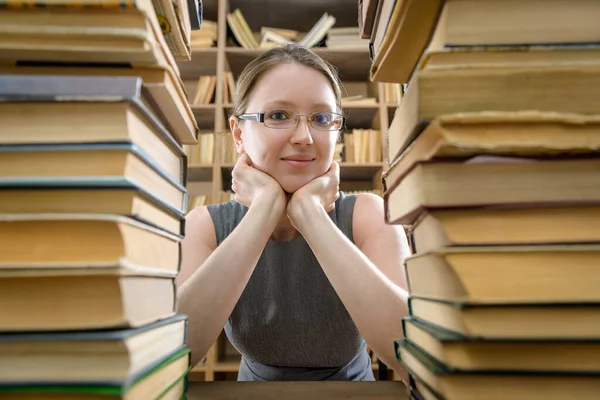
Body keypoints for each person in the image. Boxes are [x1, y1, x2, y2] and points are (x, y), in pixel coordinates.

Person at [177, 43, 411, 381]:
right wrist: (264, 210)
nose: (304, 137)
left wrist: (310, 215)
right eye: (277, 116)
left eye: (320, 118)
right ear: (239, 134)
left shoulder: (369, 215)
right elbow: (173, 355)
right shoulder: (205, 226)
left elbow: (411, 354)